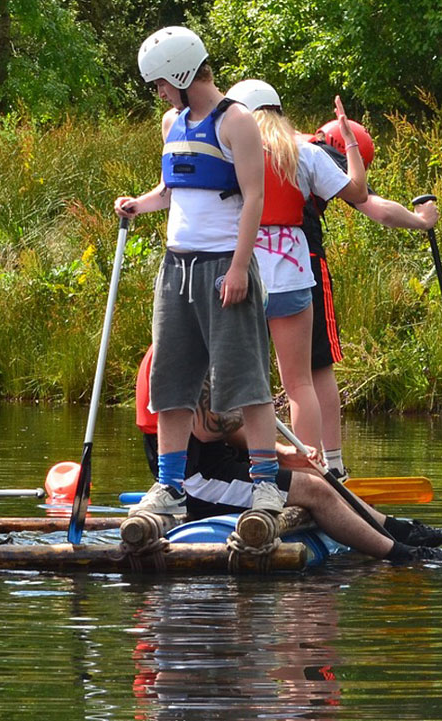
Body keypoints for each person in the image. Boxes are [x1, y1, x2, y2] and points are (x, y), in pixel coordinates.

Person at [115, 27, 283, 517]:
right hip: (176, 268)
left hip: (223, 267)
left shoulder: (237, 121)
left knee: (245, 379)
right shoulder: (173, 122)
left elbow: (255, 198)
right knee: (172, 379)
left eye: (162, 82)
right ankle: (169, 487)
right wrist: (137, 205)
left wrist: (237, 270)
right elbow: (170, 191)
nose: (160, 93)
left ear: (185, 72)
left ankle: (265, 484)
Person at [130, 346, 442, 563]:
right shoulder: (184, 350)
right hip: (194, 479)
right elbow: (206, 429)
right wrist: (250, 394)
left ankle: (401, 529)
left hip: (217, 463)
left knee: (319, 477)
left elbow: (228, 432)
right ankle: (404, 555)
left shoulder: (210, 341)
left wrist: (282, 453)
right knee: (314, 490)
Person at [222, 78, 367, 463]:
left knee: (252, 386)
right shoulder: (304, 153)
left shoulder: (229, 153)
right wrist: (350, 141)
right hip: (293, 276)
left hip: (244, 275)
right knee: (300, 383)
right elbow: (359, 193)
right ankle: (313, 470)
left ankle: (261, 469)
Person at [296, 106, 439, 480]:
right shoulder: (324, 154)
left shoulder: (270, 142)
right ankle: (333, 467)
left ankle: (263, 466)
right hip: (303, 266)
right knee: (317, 368)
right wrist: (422, 222)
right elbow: (379, 211)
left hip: (245, 265)